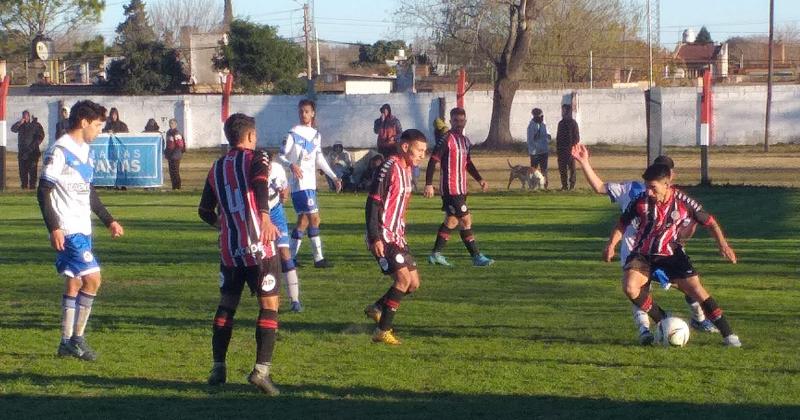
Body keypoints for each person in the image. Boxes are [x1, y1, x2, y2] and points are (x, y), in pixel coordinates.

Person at [572, 144, 719, 345]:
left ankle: (695, 319)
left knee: (685, 286)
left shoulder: (671, 198)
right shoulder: (633, 189)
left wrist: (584, 163)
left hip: (663, 253)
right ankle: (646, 330)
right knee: (642, 290)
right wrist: (584, 162)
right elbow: (600, 188)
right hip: (636, 253)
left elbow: (599, 187)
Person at [606, 163, 742, 347]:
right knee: (630, 287)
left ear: (667, 184)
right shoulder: (640, 200)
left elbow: (710, 222)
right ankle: (663, 318)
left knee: (695, 288)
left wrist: (723, 246)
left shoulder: (683, 201)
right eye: (647, 187)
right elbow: (622, 223)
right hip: (643, 254)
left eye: (653, 188)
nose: (649, 192)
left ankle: (728, 335)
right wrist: (612, 244)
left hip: (671, 254)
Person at [198, 113, 282, 395]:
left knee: (227, 305)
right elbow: (259, 183)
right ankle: (261, 371)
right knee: (269, 305)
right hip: (260, 247)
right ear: (249, 136)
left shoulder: (216, 167)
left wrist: (222, 224)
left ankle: (218, 366)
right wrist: (265, 217)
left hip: (230, 251)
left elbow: (204, 211)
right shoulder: (258, 157)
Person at [37, 100, 125, 361]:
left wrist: (109, 220)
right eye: (98, 125)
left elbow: (90, 193)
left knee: (75, 282)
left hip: (82, 228)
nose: (99, 130)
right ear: (84, 122)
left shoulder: (85, 150)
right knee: (93, 279)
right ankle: (77, 339)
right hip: (68, 228)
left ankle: (65, 342)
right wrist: (54, 228)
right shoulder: (60, 150)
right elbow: (43, 191)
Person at [363, 129, 428, 345]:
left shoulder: (408, 169)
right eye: (419, 150)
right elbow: (373, 201)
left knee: (413, 284)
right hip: (384, 235)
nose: (422, 155)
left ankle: (378, 307)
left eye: (424, 151)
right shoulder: (388, 167)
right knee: (403, 279)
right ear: (405, 146)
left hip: (398, 236)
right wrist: (375, 237)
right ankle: (382, 331)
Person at [424, 107, 493, 267]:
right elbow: (433, 160)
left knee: (452, 221)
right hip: (450, 189)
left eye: (462, 121)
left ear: (465, 121)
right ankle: (476, 256)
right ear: (450, 121)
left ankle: (436, 254)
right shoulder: (446, 139)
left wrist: (479, 179)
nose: (459, 124)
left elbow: (467, 163)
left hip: (461, 189)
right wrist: (428, 184)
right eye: (456, 120)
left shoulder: (465, 141)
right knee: (466, 220)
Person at [278, 99, 341, 268]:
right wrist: (291, 165)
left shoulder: (316, 135)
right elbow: (281, 155)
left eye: (306, 111)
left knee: (304, 221)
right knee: (315, 218)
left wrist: (334, 177)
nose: (303, 114)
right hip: (300, 185)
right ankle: (318, 259)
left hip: (310, 185)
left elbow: (319, 158)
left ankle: (290, 258)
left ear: (313, 113)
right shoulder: (292, 133)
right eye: (301, 111)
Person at [267, 154, 304, 313]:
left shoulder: (277, 169)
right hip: (257, 215)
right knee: (264, 258)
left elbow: (285, 185)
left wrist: (285, 194)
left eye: (268, 165)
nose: (267, 168)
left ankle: (295, 300)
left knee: (284, 253)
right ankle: (268, 297)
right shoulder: (252, 173)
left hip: (275, 213)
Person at [11, 110, 45, 189]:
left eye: (26, 116)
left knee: (33, 172)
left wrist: (34, 145)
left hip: (32, 152)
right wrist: (20, 122)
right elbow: (13, 129)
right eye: (23, 116)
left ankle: (32, 187)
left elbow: (41, 136)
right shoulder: (21, 125)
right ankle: (24, 187)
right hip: (22, 153)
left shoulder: (35, 125)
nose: (24, 118)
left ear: (29, 117)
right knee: (23, 172)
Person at [555, 104, 579, 190]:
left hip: (570, 150)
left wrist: (572, 147)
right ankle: (564, 185)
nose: (562, 112)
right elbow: (558, 138)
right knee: (562, 169)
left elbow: (576, 138)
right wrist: (558, 149)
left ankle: (572, 186)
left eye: (564, 111)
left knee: (572, 169)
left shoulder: (573, 123)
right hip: (561, 150)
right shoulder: (560, 123)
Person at [527, 108, 550, 189]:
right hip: (535, 153)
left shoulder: (544, 124)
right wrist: (536, 144)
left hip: (544, 151)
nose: (542, 118)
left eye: (542, 116)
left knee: (544, 170)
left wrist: (548, 137)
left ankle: (545, 186)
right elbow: (530, 140)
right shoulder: (531, 126)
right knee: (534, 171)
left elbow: (548, 134)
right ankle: (534, 186)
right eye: (540, 116)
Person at [164, 119, 186, 190]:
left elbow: (180, 145)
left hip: (176, 155)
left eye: (172, 123)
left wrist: (174, 154)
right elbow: (168, 144)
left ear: (176, 124)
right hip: (170, 155)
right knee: (171, 172)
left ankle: (178, 186)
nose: (171, 125)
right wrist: (167, 152)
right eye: (170, 123)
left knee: (175, 171)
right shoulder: (168, 133)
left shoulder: (177, 133)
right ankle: (173, 186)